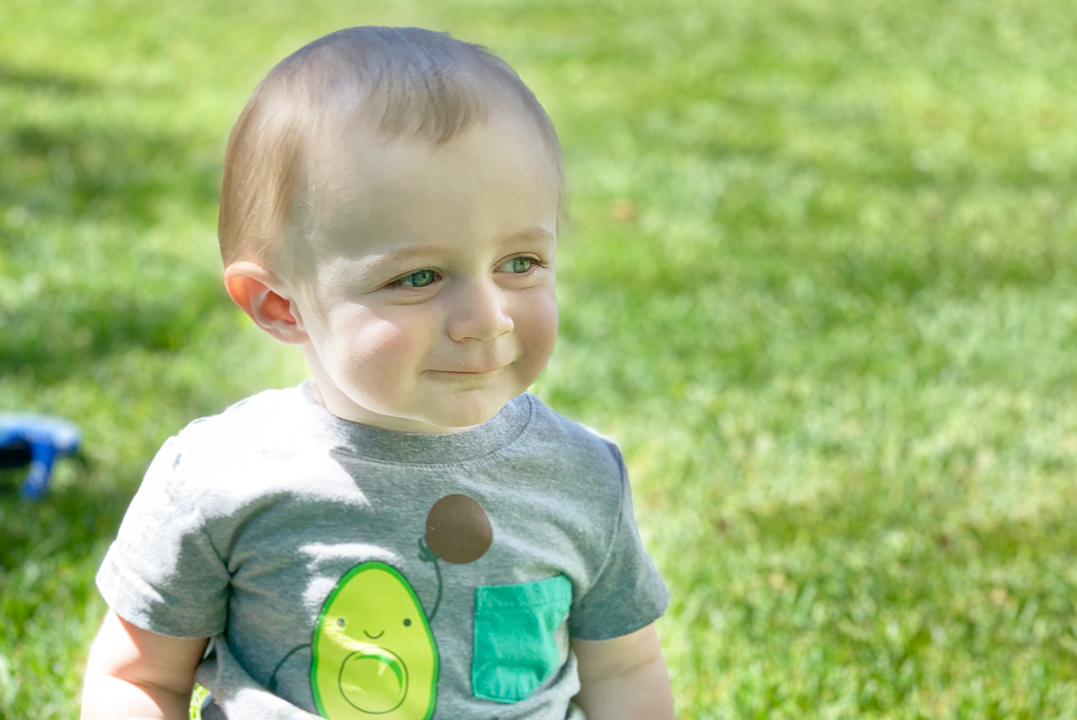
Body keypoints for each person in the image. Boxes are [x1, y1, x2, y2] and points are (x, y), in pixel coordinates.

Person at [80, 26, 673, 720]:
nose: (486, 318)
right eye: (418, 277)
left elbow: (625, 668)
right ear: (281, 306)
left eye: (520, 263)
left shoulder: (579, 477)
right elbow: (139, 678)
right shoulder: (219, 479)